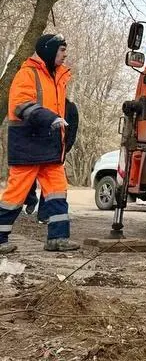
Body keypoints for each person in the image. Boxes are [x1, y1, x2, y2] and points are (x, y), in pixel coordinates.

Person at [0, 34, 81, 253]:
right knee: (15, 195)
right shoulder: (27, 74)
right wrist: (51, 119)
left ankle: (58, 238)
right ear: (49, 50)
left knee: (57, 192)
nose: (65, 55)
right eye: (62, 50)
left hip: (50, 145)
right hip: (28, 144)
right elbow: (20, 105)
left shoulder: (57, 76)